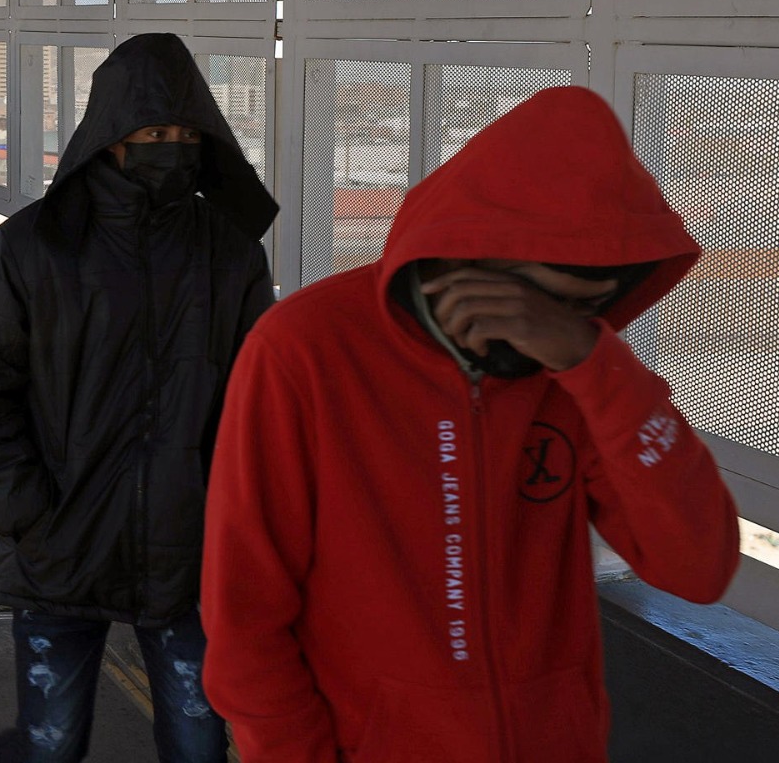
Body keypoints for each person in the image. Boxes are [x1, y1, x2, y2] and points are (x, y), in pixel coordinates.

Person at [199, 86, 740, 763]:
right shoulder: (307, 350)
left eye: (586, 311)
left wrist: (595, 364)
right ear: (470, 255)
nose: (548, 329)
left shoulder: (574, 366)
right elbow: (245, 609)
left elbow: (698, 568)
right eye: (543, 302)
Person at [0, 33, 279, 763]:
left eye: (186, 134)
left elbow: (262, 408)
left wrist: (231, 524)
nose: (172, 149)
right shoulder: (33, 247)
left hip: (187, 555)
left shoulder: (230, 255)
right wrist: (28, 516)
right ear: (110, 135)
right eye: (153, 134)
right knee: (50, 743)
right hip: (59, 549)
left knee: (199, 746)